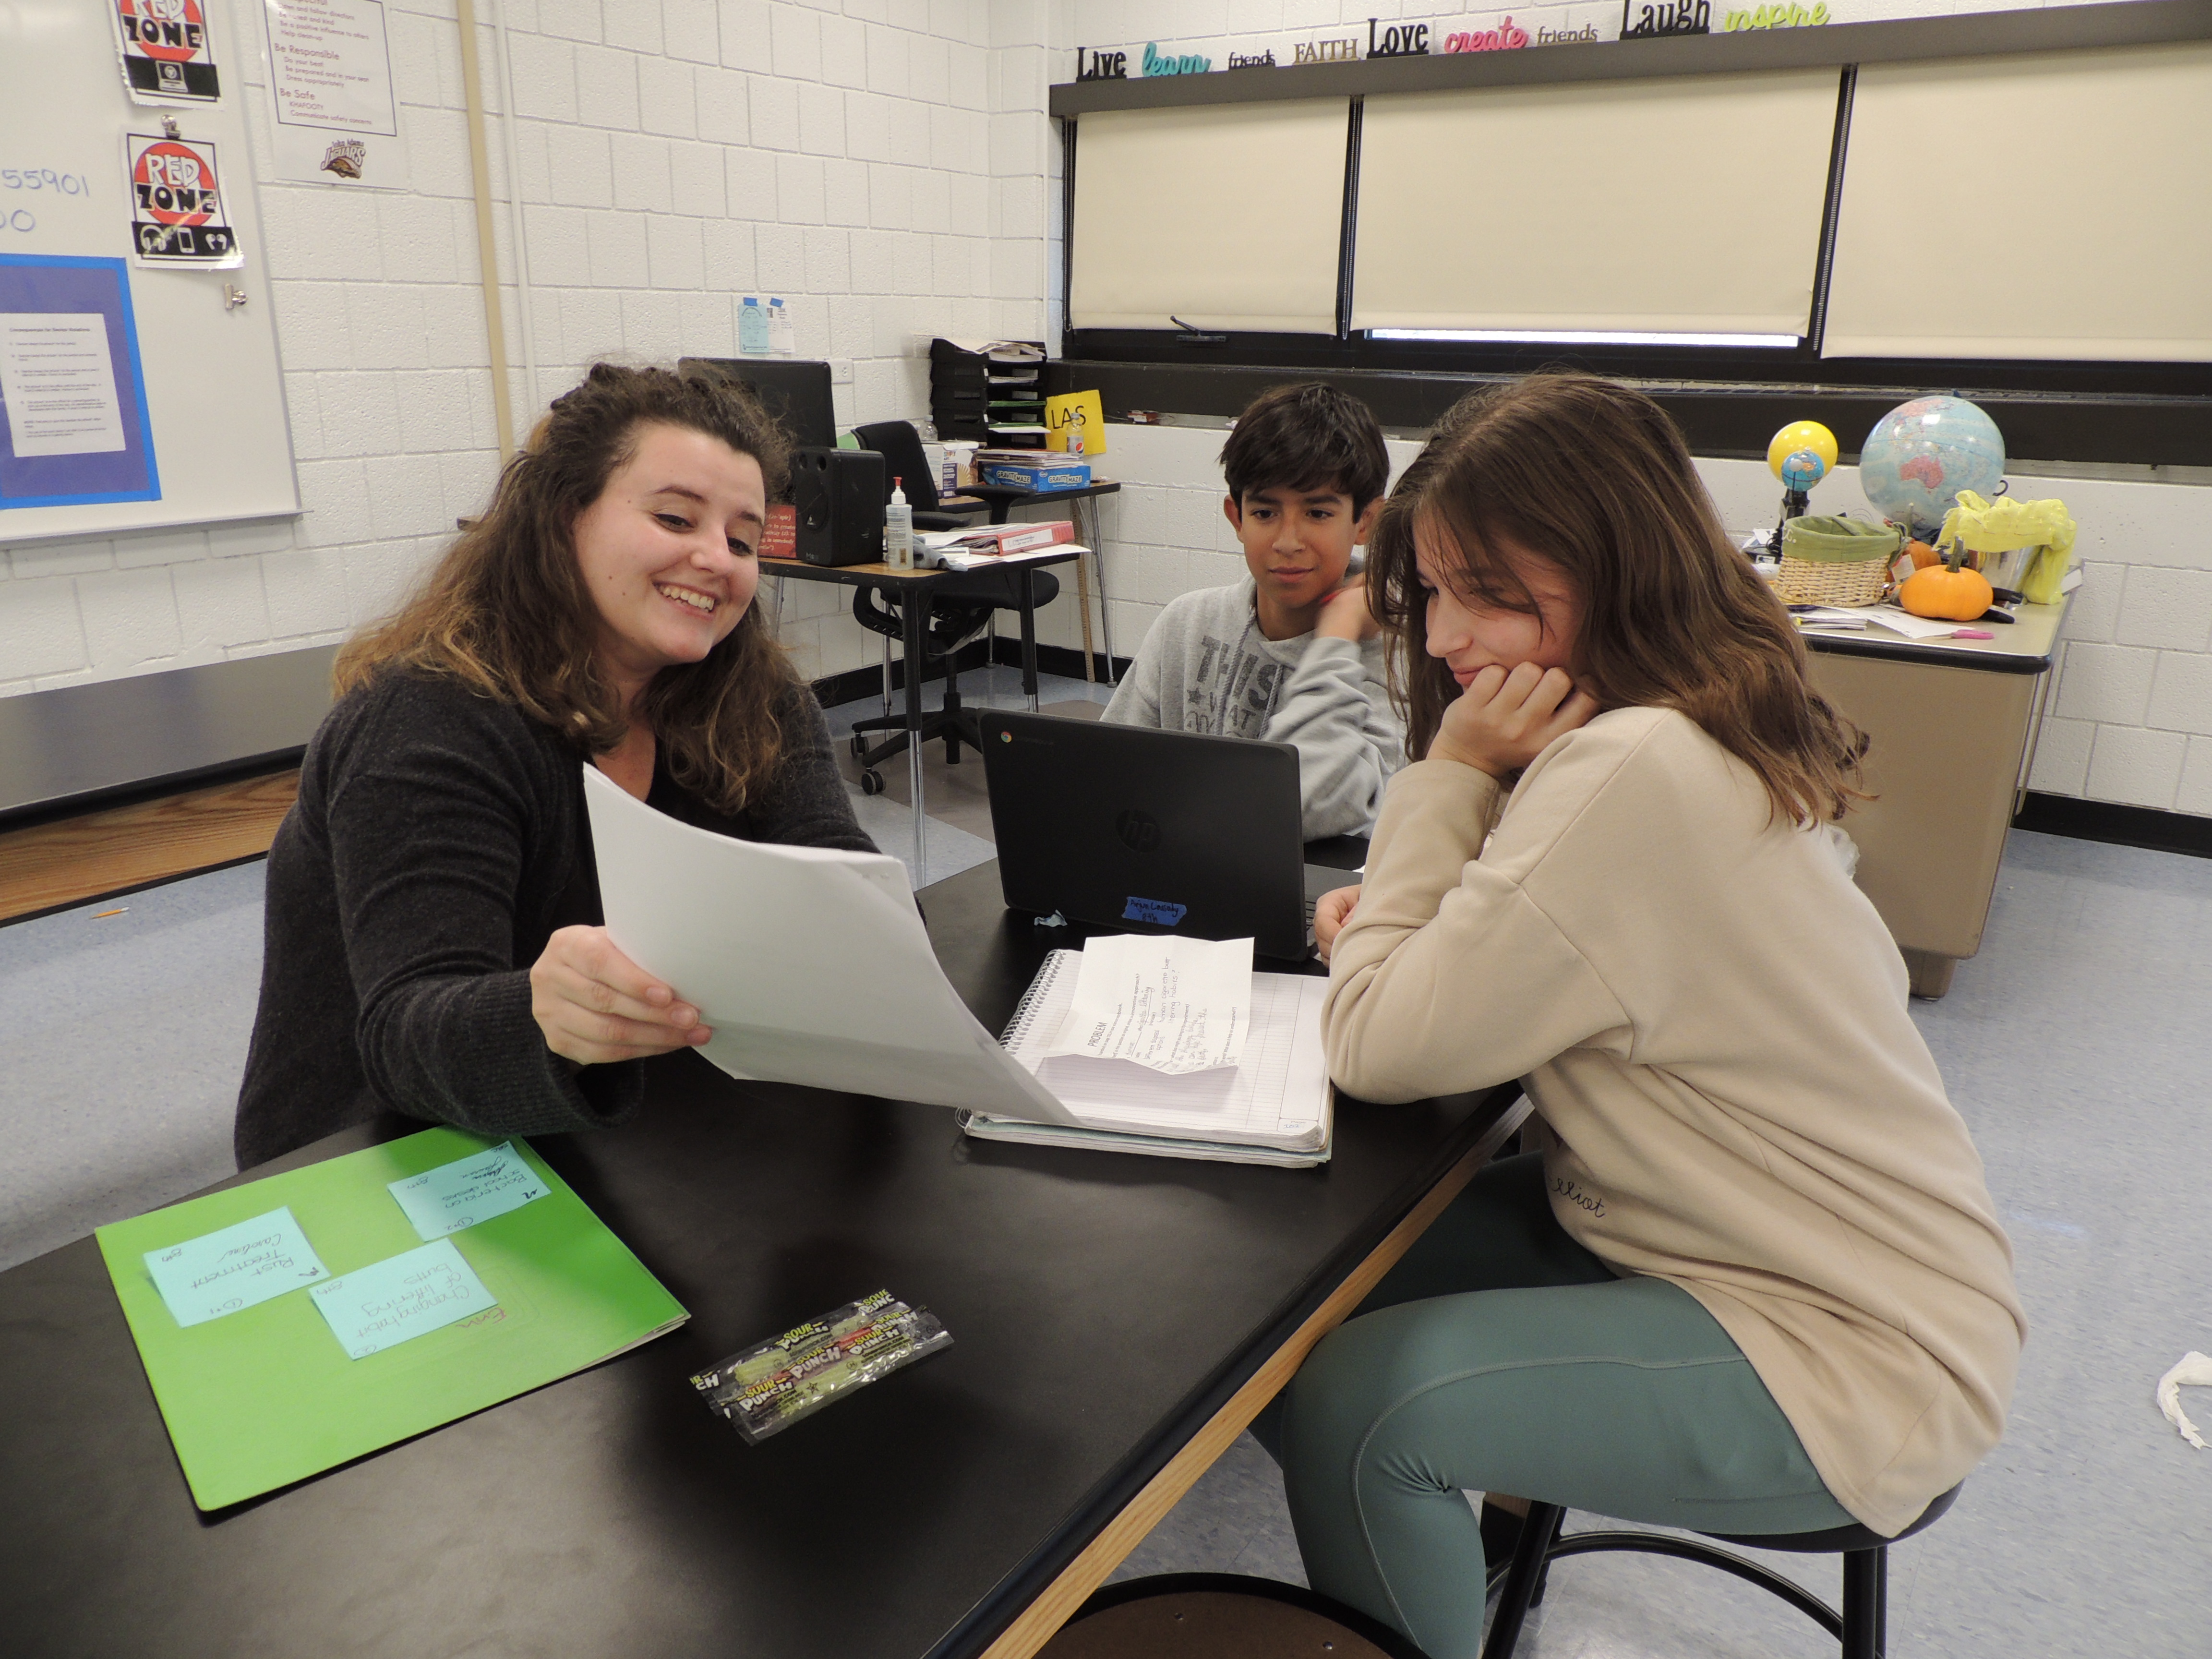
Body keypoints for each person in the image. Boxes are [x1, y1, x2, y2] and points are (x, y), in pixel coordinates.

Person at [1287, 375, 2025, 1659]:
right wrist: (1440, 922)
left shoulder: (1634, 763)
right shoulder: (1684, 717)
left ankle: (1417, 1555)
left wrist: (1446, 777)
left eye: (1495, 592)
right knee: (1287, 1292)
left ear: (1619, 566)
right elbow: (1516, 952)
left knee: (1363, 1405)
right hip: (1715, 1236)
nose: (1451, 636)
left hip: (1848, 1349)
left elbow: (1378, 1046)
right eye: (1435, 591)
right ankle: (1435, 1572)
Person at [234, 363, 877, 1170]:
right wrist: (543, 1013)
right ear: (565, 519)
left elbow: (839, 872)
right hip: (390, 1150)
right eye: (676, 518)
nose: (717, 559)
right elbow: (406, 1029)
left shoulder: (750, 692)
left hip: (632, 1113)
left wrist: (871, 930)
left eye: (742, 539)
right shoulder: (428, 721)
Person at [1101, 382, 1402, 839]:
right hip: (1191, 867)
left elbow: (1317, 806)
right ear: (1236, 518)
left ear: (1365, 521)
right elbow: (1112, 771)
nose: (1287, 542)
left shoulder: (1397, 650)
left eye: (1318, 514)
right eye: (1265, 513)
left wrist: (1339, 631)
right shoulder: (1187, 623)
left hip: (1326, 893)